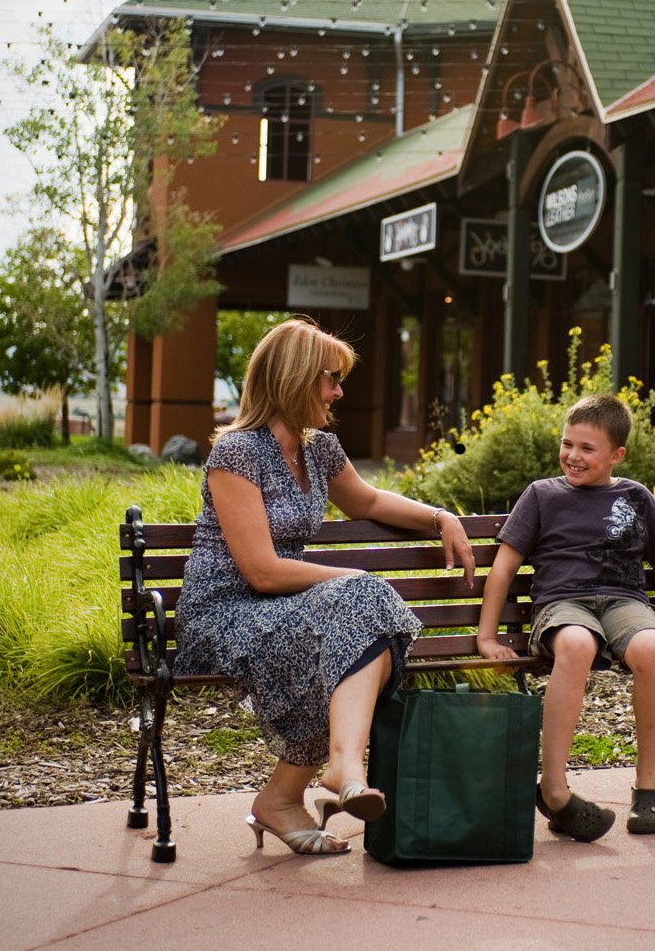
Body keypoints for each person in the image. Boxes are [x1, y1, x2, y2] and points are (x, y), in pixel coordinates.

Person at [173, 317, 476, 856]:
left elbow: (367, 502)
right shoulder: (237, 453)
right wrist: (353, 578)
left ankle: (301, 789)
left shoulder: (319, 449)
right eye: (330, 380)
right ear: (293, 379)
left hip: (285, 607)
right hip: (226, 613)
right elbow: (261, 571)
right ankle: (332, 774)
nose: (338, 392)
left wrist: (439, 517)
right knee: (362, 606)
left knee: (367, 631)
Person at [476, 393, 655, 841]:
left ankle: (649, 783)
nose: (573, 456)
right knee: (576, 644)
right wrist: (486, 635)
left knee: (653, 646)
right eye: (568, 444)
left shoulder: (636, 497)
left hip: (624, 601)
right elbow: (505, 566)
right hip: (563, 602)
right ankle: (553, 788)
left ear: (617, 455)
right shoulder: (541, 495)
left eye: (587, 449)